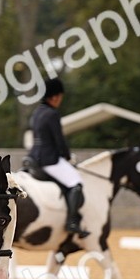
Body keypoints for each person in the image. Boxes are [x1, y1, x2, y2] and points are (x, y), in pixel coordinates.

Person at [27, 76, 88, 238]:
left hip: (34, 156)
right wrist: (68, 157)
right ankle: (72, 222)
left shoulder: (37, 113)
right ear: (54, 97)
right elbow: (59, 141)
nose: (60, 100)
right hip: (49, 160)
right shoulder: (52, 114)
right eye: (60, 97)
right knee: (76, 183)